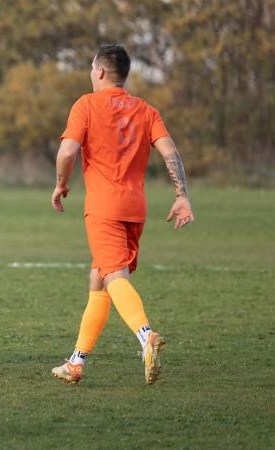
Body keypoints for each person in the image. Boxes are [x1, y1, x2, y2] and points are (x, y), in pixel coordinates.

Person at [50, 44, 194, 385]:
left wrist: (60, 184)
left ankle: (147, 337)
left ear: (99, 71)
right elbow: (170, 152)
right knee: (99, 279)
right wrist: (182, 196)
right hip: (135, 208)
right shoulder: (146, 110)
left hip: (103, 208)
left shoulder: (86, 104)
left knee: (115, 278)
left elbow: (67, 150)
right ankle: (76, 363)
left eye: (90, 68)